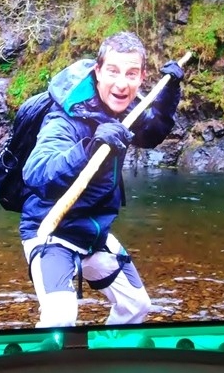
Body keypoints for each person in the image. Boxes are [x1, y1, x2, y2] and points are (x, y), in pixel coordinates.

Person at [19, 31, 185, 328]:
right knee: (60, 317)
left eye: (131, 74)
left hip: (94, 234)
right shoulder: (65, 117)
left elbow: (151, 134)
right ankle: (40, 357)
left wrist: (170, 93)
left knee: (136, 306)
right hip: (51, 232)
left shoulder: (128, 110)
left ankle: (109, 351)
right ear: (98, 72)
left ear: (142, 77)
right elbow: (37, 172)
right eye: (113, 71)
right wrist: (89, 148)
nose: (121, 83)